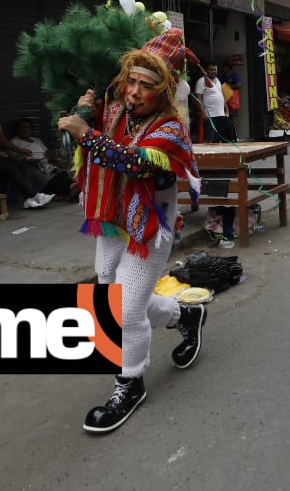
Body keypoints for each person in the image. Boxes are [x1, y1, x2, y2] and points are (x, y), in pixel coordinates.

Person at [58, 29, 208, 434]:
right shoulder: (114, 112)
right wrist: (84, 110)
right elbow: (86, 137)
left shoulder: (171, 129)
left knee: (124, 311)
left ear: (164, 91)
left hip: (149, 226)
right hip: (112, 216)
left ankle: (130, 383)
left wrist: (86, 134)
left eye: (147, 85)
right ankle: (186, 315)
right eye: (132, 81)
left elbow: (135, 163)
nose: (135, 92)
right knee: (111, 299)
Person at [9, 118, 76, 197]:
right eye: (22, 127)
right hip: (34, 166)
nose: (25, 130)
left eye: (28, 127)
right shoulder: (14, 142)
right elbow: (12, 157)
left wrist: (49, 154)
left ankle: (74, 187)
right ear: (17, 129)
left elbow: (46, 151)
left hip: (48, 164)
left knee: (62, 175)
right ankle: (71, 191)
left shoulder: (36, 140)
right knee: (55, 182)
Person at [194, 63, 236, 143]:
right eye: (211, 69)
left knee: (219, 139)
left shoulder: (218, 80)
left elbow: (221, 96)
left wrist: (226, 111)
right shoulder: (202, 81)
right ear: (206, 70)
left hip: (221, 115)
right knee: (209, 138)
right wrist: (203, 112)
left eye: (215, 69)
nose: (213, 71)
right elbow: (198, 98)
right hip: (210, 115)